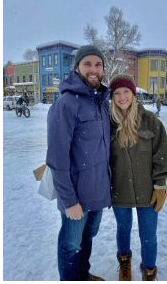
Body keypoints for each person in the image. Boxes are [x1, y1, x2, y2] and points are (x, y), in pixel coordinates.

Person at [46, 45, 111, 281]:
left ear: (104, 69)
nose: (93, 70)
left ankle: (83, 275)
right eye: (88, 64)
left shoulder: (102, 101)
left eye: (98, 64)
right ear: (77, 68)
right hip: (76, 195)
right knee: (71, 244)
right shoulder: (66, 103)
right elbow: (57, 159)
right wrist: (69, 200)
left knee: (88, 236)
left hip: (97, 191)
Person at [109, 73, 167, 281]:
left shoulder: (151, 122)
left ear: (134, 94)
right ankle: (125, 263)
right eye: (117, 93)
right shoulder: (108, 124)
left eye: (126, 91)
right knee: (123, 230)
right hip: (119, 191)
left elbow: (161, 154)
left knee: (148, 236)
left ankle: (149, 270)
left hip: (148, 192)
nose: (122, 97)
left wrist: (161, 185)